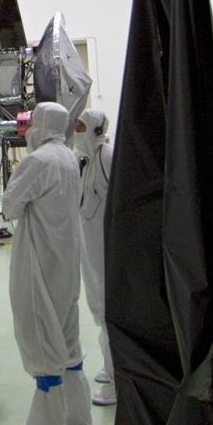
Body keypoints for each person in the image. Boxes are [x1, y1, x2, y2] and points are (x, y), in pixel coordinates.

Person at [2, 101, 93, 425]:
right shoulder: (69, 158)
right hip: (66, 265)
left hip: (40, 265)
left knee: (43, 345)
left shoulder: (38, 161)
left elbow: (10, 206)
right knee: (69, 346)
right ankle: (77, 422)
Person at [74, 108, 116, 406]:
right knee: (98, 310)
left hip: (106, 248)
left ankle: (117, 381)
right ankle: (110, 365)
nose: (76, 129)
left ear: (95, 129)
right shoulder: (85, 161)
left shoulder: (107, 156)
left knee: (110, 312)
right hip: (90, 249)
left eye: (80, 125)